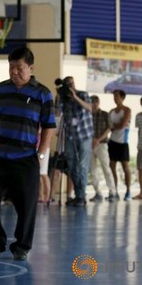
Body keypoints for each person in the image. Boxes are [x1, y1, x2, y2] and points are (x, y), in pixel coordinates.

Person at [0, 47, 55, 260]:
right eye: (11, 68)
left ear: (31, 68)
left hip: (25, 158)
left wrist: (41, 154)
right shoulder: (0, 90)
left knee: (27, 206)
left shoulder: (43, 94)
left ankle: (22, 247)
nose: (14, 72)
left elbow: (49, 126)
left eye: (19, 68)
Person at [55, 76, 93, 207]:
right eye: (67, 84)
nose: (70, 86)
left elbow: (90, 108)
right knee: (72, 167)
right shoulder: (63, 99)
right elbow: (57, 114)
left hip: (84, 136)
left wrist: (75, 97)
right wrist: (58, 98)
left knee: (82, 166)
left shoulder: (83, 94)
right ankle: (79, 195)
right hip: (70, 136)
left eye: (71, 83)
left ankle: (81, 196)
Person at [89, 95, 117, 202]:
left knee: (106, 168)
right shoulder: (88, 115)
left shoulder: (105, 114)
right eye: (92, 102)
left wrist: (98, 139)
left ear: (99, 102)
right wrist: (92, 140)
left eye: (96, 101)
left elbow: (109, 128)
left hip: (102, 144)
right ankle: (98, 193)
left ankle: (112, 192)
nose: (94, 104)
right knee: (93, 170)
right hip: (90, 145)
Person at [108, 89, 132, 201]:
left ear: (122, 98)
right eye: (114, 96)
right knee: (112, 166)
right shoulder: (111, 111)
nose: (115, 98)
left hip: (123, 142)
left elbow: (122, 125)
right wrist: (116, 126)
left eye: (117, 96)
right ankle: (114, 191)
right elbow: (110, 126)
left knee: (125, 167)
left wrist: (116, 126)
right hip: (112, 141)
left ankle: (128, 191)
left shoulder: (127, 110)